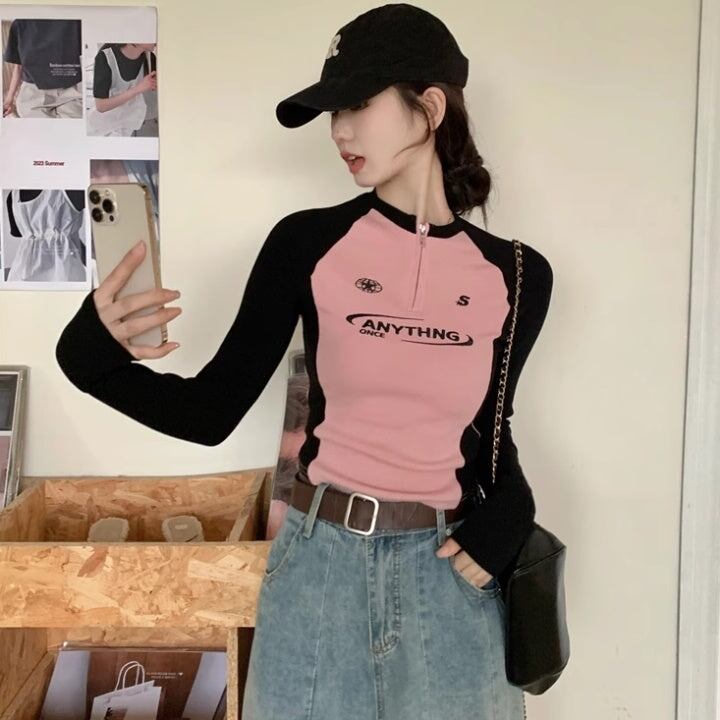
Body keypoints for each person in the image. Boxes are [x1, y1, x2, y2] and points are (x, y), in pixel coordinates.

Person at [54, 4, 553, 718]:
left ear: (430, 107)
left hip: (448, 576)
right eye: (333, 113)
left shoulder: (517, 275)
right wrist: (88, 357)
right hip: (319, 567)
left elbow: (490, 432)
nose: (339, 131)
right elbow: (208, 413)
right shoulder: (307, 244)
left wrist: (512, 512)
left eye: (356, 104)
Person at [2, 19, 82, 119]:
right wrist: (9, 100)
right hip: (33, 94)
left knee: (73, 127)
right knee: (39, 128)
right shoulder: (20, 23)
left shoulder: (74, 21)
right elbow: (18, 66)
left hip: (70, 92)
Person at [86, 43, 158, 137]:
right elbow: (101, 106)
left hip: (131, 125)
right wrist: (139, 88)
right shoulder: (105, 57)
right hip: (103, 129)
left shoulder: (150, 57)